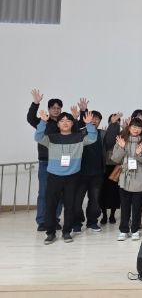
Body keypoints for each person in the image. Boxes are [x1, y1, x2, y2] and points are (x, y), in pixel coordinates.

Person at [34, 109, 98, 244]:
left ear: (72, 123)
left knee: (70, 205)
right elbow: (38, 137)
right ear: (58, 124)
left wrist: (89, 124)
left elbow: (92, 138)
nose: (65, 123)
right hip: (54, 176)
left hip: (72, 177)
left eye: (68, 120)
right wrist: (43, 122)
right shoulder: (51, 138)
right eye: (62, 120)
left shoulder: (79, 137)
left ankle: (67, 232)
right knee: (51, 205)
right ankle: (50, 232)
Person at [27, 89, 66, 231]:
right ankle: (42, 221)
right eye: (53, 108)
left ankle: (55, 220)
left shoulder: (64, 123)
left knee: (59, 194)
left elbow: (79, 126)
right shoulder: (43, 121)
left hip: (61, 163)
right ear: (49, 109)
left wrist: (82, 111)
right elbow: (30, 118)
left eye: (58, 108)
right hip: (45, 161)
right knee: (44, 193)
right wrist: (35, 103)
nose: (56, 110)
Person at [111, 117, 142, 241]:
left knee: (137, 207)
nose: (136, 129)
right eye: (133, 126)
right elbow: (115, 159)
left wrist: (139, 154)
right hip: (125, 177)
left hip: (139, 177)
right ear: (129, 127)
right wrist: (122, 147)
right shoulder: (121, 140)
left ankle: (135, 230)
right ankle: (123, 230)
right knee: (125, 206)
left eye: (138, 127)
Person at [72, 110, 106, 233]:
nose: (94, 120)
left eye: (97, 119)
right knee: (77, 201)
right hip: (80, 173)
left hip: (97, 173)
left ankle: (92, 222)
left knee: (95, 200)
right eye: (92, 118)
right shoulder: (80, 132)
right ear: (86, 119)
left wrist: (114, 124)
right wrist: (75, 119)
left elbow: (112, 140)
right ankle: (76, 223)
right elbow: (70, 133)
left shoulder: (102, 134)